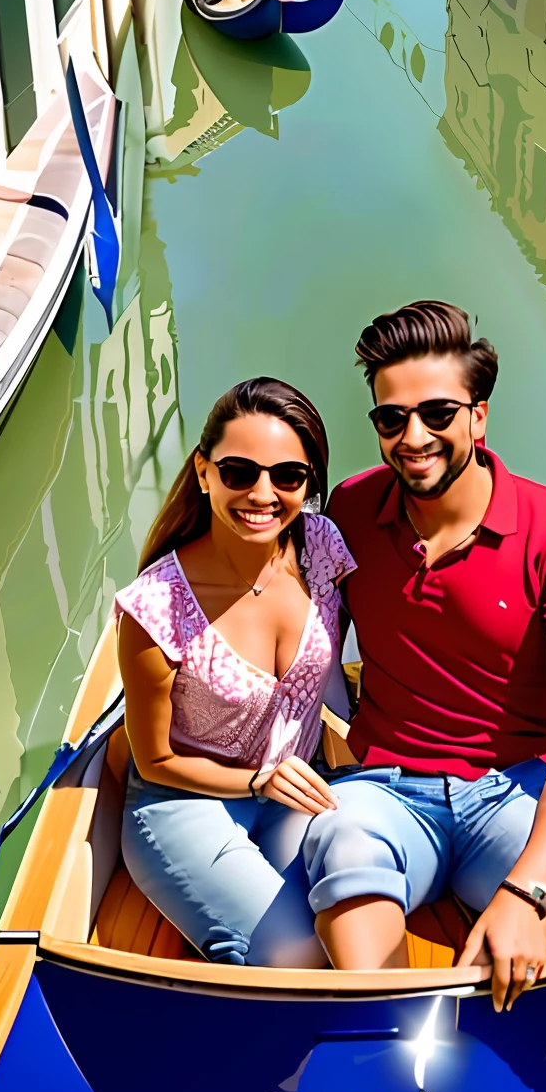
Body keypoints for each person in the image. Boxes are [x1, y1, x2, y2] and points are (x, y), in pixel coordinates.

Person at [303, 300, 546, 1011]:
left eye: (438, 414)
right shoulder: (350, 511)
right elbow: (297, 635)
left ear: (479, 416)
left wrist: (525, 892)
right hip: (383, 787)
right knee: (348, 881)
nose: (413, 437)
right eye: (391, 419)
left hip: (515, 791)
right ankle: (389, 1058)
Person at [114, 378, 354, 967]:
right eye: (240, 472)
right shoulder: (155, 607)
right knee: (295, 954)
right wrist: (255, 782)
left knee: (353, 922)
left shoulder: (321, 546)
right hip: (182, 800)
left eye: (288, 477)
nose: (262, 494)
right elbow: (154, 760)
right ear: (203, 471)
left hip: (297, 785)